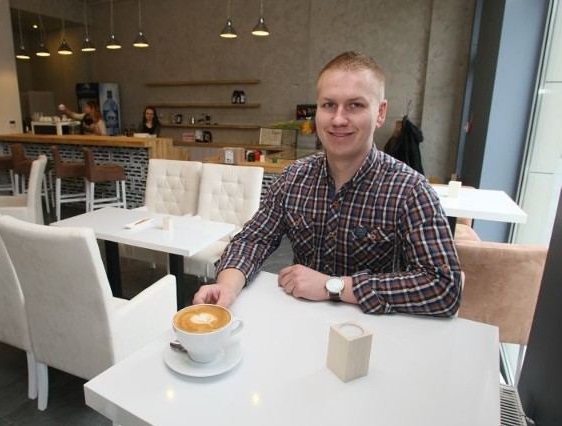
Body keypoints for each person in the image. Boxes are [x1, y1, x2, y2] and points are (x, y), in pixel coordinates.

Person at [194, 51, 462, 317]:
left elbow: (444, 287)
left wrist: (332, 287)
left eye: (355, 105)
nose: (338, 119)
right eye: (329, 105)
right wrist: (226, 287)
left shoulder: (410, 190)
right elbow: (253, 240)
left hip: (372, 338)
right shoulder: (293, 178)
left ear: (380, 113)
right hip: (301, 326)